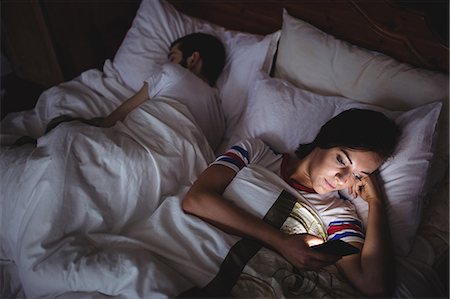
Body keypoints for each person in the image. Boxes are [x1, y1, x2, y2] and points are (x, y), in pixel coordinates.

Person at [182, 108, 402, 297]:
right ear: (325, 139)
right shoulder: (256, 152)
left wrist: (376, 203)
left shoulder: (339, 213)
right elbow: (195, 200)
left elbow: (373, 285)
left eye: (357, 175)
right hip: (186, 253)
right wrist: (281, 241)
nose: (343, 179)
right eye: (341, 160)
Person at [45, 32, 227, 151]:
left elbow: (118, 115)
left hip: (137, 144)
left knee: (63, 132)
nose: (169, 63)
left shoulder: (173, 72)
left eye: (173, 57)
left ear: (193, 58)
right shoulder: (221, 121)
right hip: (176, 168)